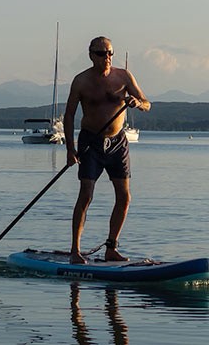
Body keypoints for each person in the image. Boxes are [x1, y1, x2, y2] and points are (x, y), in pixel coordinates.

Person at [64, 36, 151, 264]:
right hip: (90, 142)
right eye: (102, 54)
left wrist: (136, 102)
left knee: (124, 197)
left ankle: (111, 247)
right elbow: (70, 115)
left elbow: (147, 103)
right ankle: (75, 250)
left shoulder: (124, 77)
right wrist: (70, 149)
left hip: (117, 143)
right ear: (91, 55)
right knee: (86, 195)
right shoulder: (81, 81)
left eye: (110, 53)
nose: (107, 58)